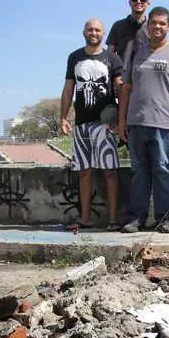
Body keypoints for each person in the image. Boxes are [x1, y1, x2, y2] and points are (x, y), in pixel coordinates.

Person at [118, 7, 169, 234]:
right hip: (137, 122)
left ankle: (166, 219)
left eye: (162, 23)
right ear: (148, 25)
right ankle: (136, 219)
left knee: (163, 170)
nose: (157, 27)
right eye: (154, 23)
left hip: (165, 124)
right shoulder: (136, 53)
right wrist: (122, 121)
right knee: (139, 171)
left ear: (168, 26)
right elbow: (126, 89)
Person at [60, 18, 123, 231]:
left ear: (103, 33)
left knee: (109, 172)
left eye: (97, 30)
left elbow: (120, 90)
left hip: (105, 125)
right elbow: (69, 89)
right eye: (90, 29)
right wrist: (63, 117)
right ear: (83, 32)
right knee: (84, 172)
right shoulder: (74, 57)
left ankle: (113, 219)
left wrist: (121, 119)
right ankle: (85, 217)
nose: (93, 33)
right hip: (82, 125)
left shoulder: (112, 59)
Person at [106, 0, 150, 66]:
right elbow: (109, 54)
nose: (139, 1)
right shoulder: (118, 26)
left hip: (144, 75)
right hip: (122, 76)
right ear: (130, 2)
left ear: (148, 3)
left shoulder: (152, 28)